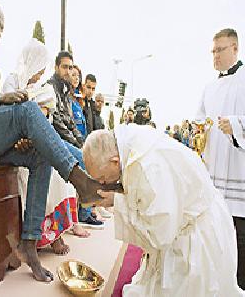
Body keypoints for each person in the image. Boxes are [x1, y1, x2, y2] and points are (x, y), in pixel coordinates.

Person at [0, 0, 111, 282]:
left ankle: (29, 242)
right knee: (27, 109)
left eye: (3, 27)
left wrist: (17, 135)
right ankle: (80, 179)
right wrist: (2, 100)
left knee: (39, 152)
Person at [82, 125, 243, 296]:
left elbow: (159, 234)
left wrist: (118, 202)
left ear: (115, 161)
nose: (104, 183)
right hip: (184, 220)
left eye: (102, 178)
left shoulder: (149, 167)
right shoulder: (128, 144)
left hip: (196, 235)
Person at [3, 39, 88, 253]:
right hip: (15, 146)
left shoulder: (40, 89)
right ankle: (40, 235)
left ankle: (55, 233)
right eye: (39, 67)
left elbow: (46, 119)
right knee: (38, 171)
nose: (41, 74)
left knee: (60, 177)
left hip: (36, 143)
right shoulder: (11, 82)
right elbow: (5, 115)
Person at [196, 28, 245, 289]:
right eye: (213, 51)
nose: (215, 55)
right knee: (216, 240)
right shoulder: (209, 87)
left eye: (220, 50)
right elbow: (198, 119)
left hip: (240, 174)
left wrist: (237, 125)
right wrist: (195, 128)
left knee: (240, 245)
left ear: (235, 48)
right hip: (215, 176)